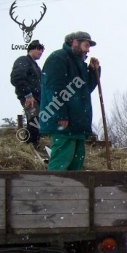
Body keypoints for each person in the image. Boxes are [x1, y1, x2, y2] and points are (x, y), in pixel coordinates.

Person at [39, 31, 100, 171]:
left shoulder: (78, 64)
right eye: (86, 45)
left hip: (77, 123)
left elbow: (85, 89)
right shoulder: (58, 58)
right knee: (62, 159)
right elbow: (53, 88)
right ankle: (53, 191)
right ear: (74, 42)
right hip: (65, 123)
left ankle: (72, 192)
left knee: (76, 163)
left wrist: (93, 71)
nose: (88, 50)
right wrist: (61, 114)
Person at [10, 39, 44, 148]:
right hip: (30, 97)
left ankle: (34, 144)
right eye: (38, 49)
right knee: (35, 119)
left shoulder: (36, 67)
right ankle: (30, 146)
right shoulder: (24, 60)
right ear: (31, 49)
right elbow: (17, 77)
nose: (40, 52)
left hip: (38, 98)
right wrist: (27, 95)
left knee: (38, 120)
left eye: (42, 50)